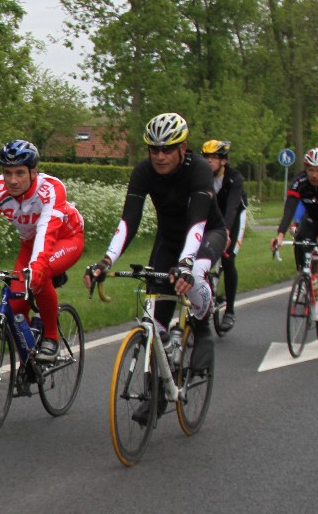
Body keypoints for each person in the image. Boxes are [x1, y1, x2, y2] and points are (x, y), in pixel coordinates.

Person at [83, 112, 224, 423]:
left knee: (194, 275)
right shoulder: (144, 171)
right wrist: (105, 261)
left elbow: (198, 222)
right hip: (168, 240)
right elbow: (128, 221)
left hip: (207, 235)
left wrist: (185, 264)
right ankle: (156, 394)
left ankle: (202, 326)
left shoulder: (199, 170)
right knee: (154, 321)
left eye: (167, 149)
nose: (159, 156)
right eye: (154, 149)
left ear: (183, 148)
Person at [0, 140, 85, 364]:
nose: (12, 180)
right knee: (15, 307)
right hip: (30, 244)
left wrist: (37, 267)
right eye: (7, 173)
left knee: (41, 274)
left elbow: (46, 231)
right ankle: (28, 363)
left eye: (20, 173)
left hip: (66, 238)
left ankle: (51, 338)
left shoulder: (51, 188)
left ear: (33, 172)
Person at [269, 147, 318, 337]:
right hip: (313, 219)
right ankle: (304, 277)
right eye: (311, 170)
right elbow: (289, 208)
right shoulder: (300, 181)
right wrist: (280, 234)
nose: (314, 175)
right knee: (301, 240)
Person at [201, 140, 245, 333]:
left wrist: (226, 233)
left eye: (214, 157)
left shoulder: (235, 179)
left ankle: (230, 310)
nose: (209, 161)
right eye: (206, 157)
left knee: (227, 259)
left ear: (224, 161)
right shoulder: (201, 176)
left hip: (234, 218)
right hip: (212, 217)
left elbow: (233, 207)